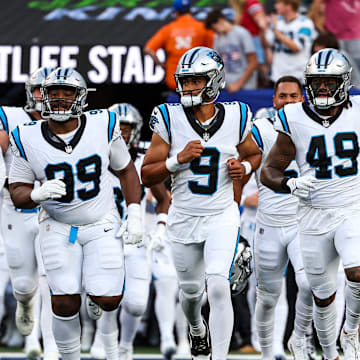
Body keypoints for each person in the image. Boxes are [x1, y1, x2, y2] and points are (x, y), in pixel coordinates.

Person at [8, 67, 143, 360]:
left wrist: (135, 212)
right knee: (64, 301)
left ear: (80, 98)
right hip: (57, 225)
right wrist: (35, 194)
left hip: (101, 221)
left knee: (108, 299)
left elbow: (126, 170)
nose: (58, 99)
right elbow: (16, 187)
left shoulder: (104, 123)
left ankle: (96, 294)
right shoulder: (25, 136)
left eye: (66, 93)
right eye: (52, 94)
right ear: (41, 98)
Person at [141, 46, 261, 360]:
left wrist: (245, 168)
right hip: (184, 215)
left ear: (215, 80)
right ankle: (196, 327)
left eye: (196, 80)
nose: (189, 87)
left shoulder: (237, 115)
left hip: (221, 213)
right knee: (191, 294)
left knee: (219, 285)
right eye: (186, 80)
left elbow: (253, 154)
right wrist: (176, 161)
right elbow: (145, 173)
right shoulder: (168, 116)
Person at [260, 48, 360, 360]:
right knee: (323, 296)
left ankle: (352, 331)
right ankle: (330, 353)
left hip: (351, 207)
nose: (323, 88)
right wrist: (289, 183)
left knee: (357, 272)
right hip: (313, 215)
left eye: (329, 82)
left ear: (344, 82)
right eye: (317, 82)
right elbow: (268, 171)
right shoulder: (292, 116)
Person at [91, 102, 175, 360]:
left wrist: (160, 227)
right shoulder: (93, 156)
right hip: (102, 236)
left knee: (137, 304)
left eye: (128, 129)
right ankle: (106, 345)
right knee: (106, 297)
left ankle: (125, 344)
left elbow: (164, 198)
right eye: (119, 128)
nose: (123, 134)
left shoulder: (141, 162)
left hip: (135, 237)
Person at [0, 66, 61, 360]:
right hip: (17, 208)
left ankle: (47, 346)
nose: (43, 96)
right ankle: (25, 304)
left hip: (53, 211)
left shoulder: (71, 123)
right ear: (30, 92)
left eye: (47, 90)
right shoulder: (11, 117)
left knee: (52, 280)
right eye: (38, 89)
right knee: (24, 286)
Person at [251, 76, 313, 360]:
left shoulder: (314, 126)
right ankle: (268, 351)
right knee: (268, 296)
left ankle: (298, 339)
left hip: (303, 221)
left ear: (303, 98)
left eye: (293, 96)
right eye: (282, 96)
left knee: (307, 284)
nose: (287, 101)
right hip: (269, 223)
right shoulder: (261, 128)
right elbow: (242, 159)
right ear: (274, 100)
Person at [144, 0, 214, 92]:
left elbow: (148, 49)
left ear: (175, 12)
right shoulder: (203, 27)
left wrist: (162, 65)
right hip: (198, 81)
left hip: (175, 81)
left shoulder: (168, 29)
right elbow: (213, 51)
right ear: (190, 10)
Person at [205, 9, 258, 92]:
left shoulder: (242, 33)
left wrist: (239, 84)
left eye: (215, 29)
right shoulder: (218, 39)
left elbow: (253, 62)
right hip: (228, 86)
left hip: (246, 86)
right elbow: (217, 64)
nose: (215, 32)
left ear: (220, 21)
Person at [265, 0, 315, 85]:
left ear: (289, 5)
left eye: (279, 3)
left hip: (298, 77)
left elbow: (296, 47)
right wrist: (263, 27)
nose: (276, 6)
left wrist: (276, 32)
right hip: (277, 76)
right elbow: (267, 43)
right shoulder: (277, 21)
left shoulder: (305, 23)